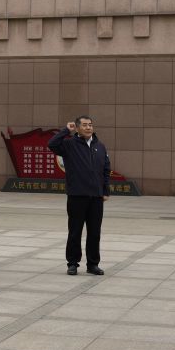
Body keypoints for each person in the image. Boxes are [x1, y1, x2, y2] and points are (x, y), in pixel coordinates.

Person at [48, 115, 111, 276]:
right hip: (77, 195)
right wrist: (65, 131)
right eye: (84, 125)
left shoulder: (100, 146)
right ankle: (72, 263)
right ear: (77, 128)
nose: (88, 127)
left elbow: (106, 169)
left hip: (96, 197)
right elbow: (52, 144)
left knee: (94, 232)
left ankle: (93, 264)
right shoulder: (69, 144)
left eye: (90, 124)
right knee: (75, 231)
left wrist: (105, 191)